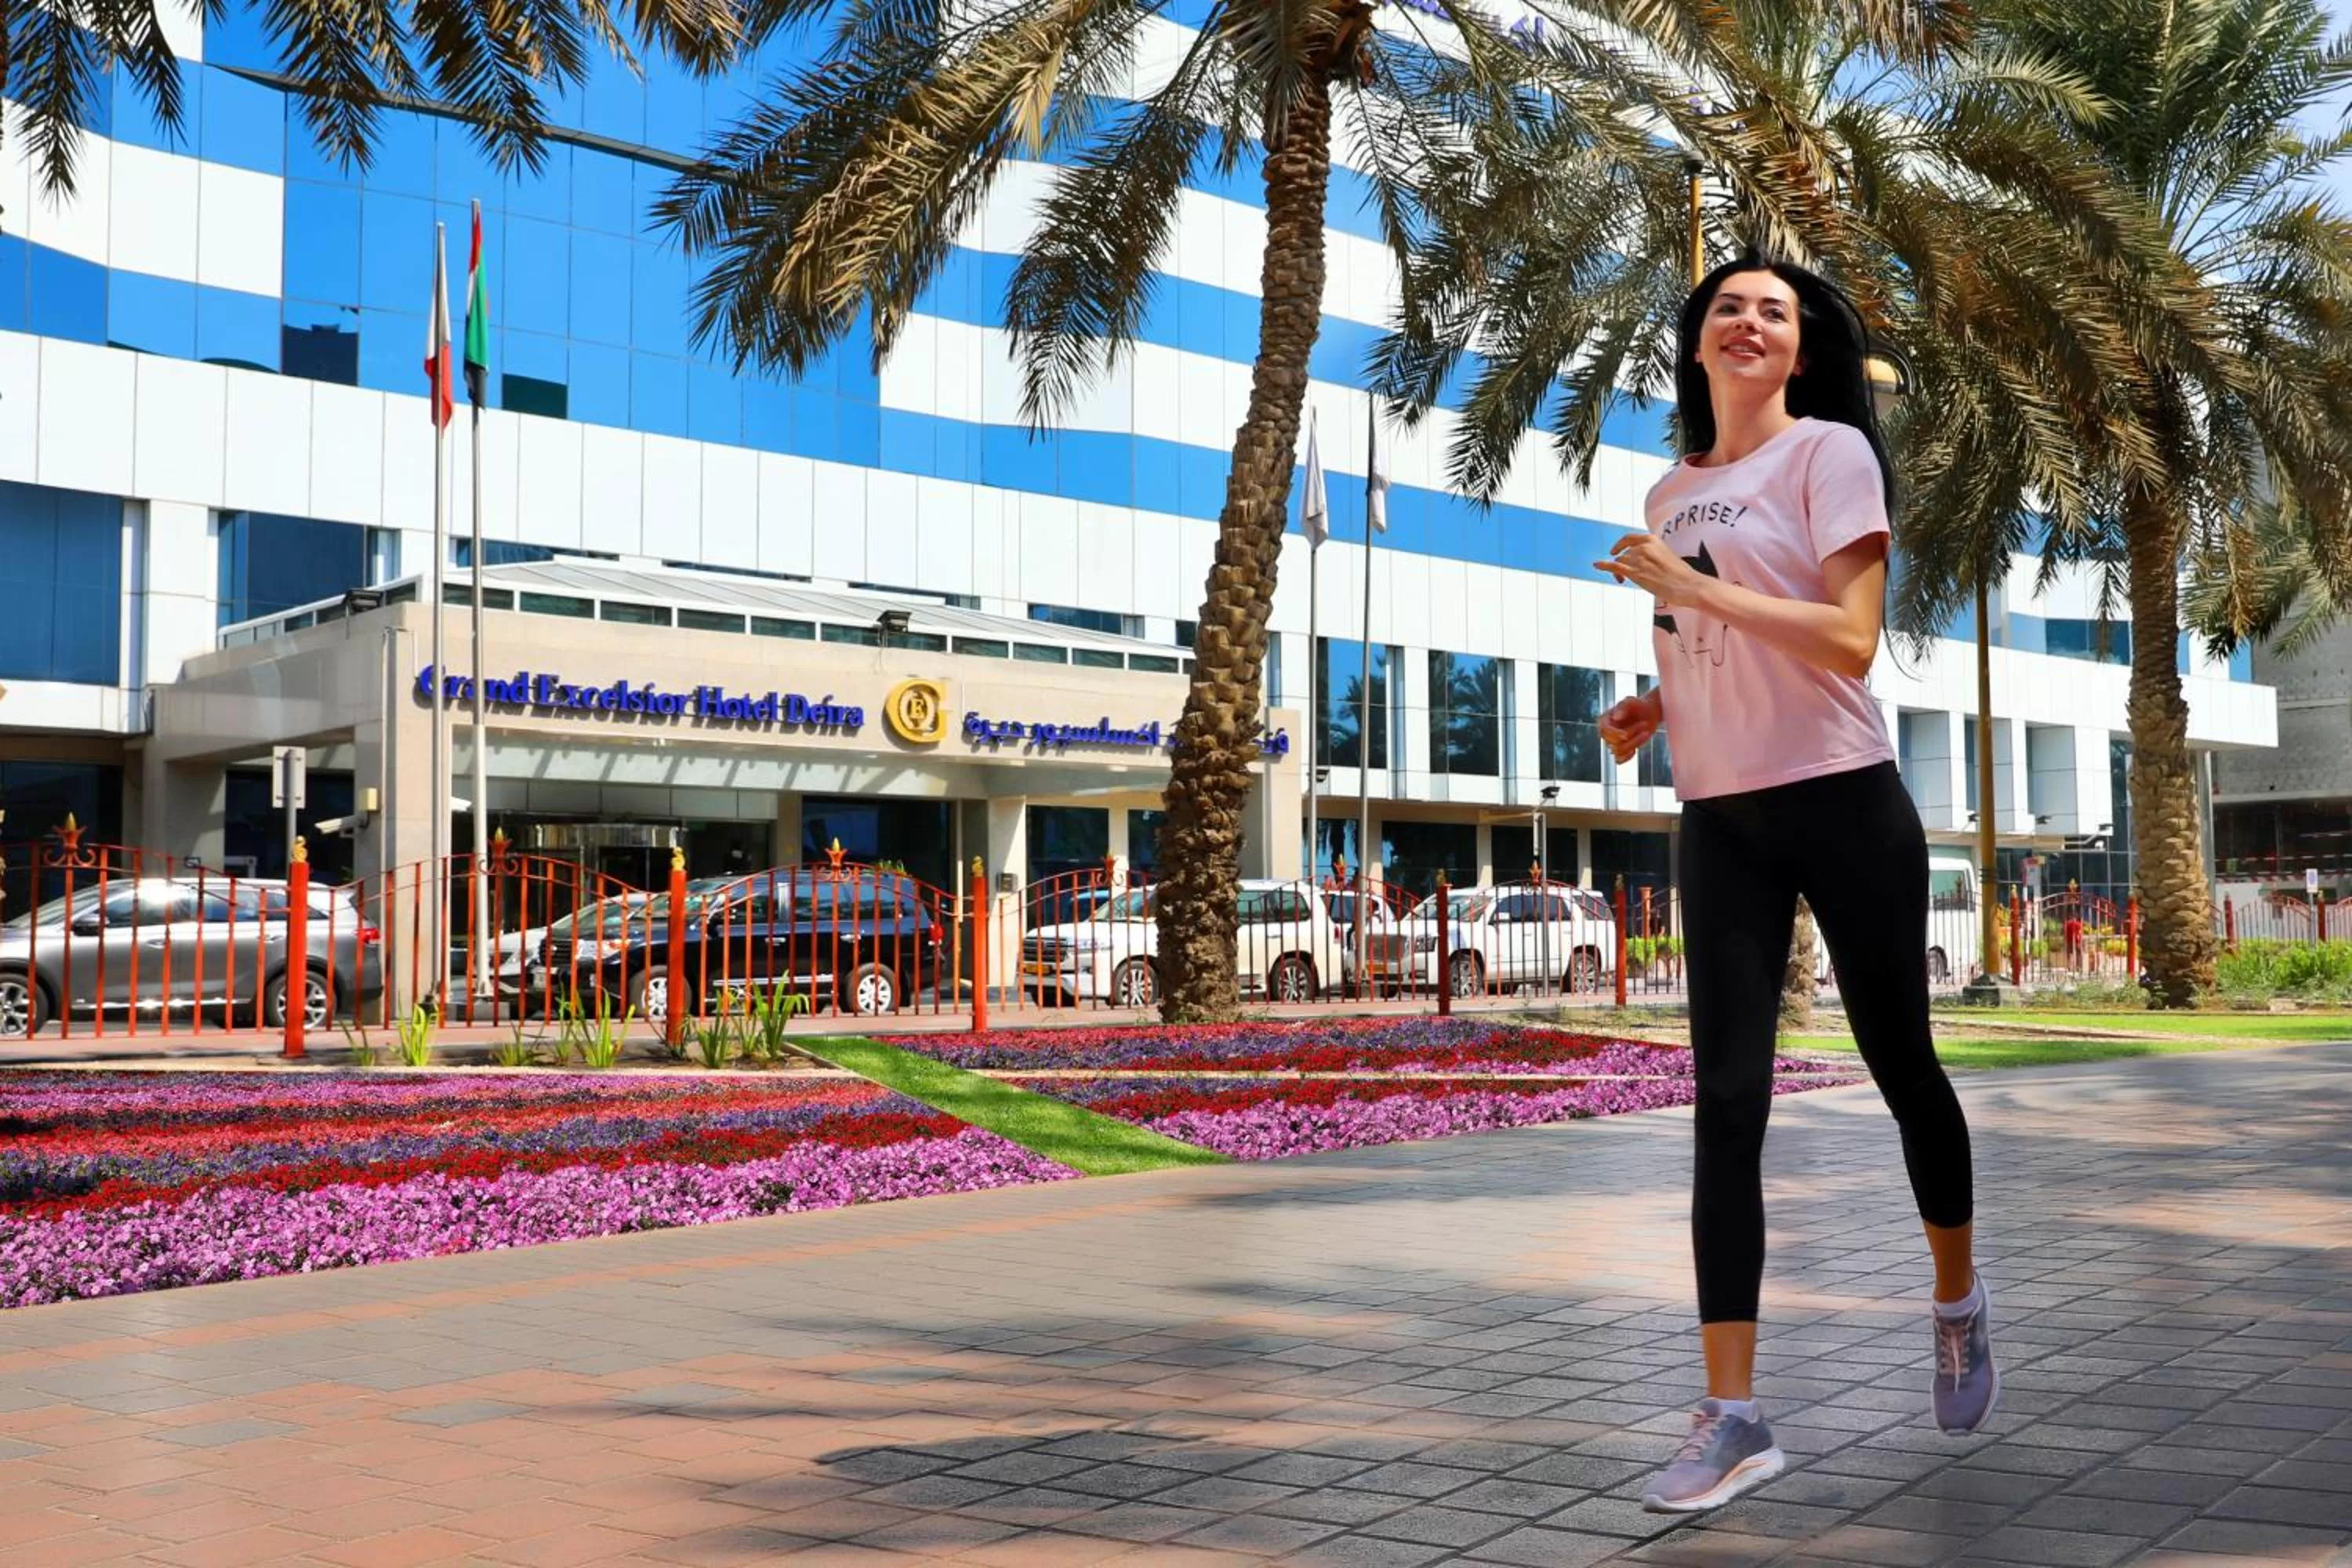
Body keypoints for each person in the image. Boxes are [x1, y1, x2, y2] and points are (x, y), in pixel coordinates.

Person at [1595, 256, 1996, 1515]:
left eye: (1773, 310)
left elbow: (1848, 639)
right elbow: (1717, 639)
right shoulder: (1671, 491)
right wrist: (1659, 704)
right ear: (1698, 342)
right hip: (1720, 813)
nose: (1749, 320)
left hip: (1841, 796)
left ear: (1800, 349)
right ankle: (1734, 1417)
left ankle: (1957, 1303)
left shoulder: (1829, 453)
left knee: (1902, 1063)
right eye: (1728, 306)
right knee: (1726, 1102)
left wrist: (1689, 587)